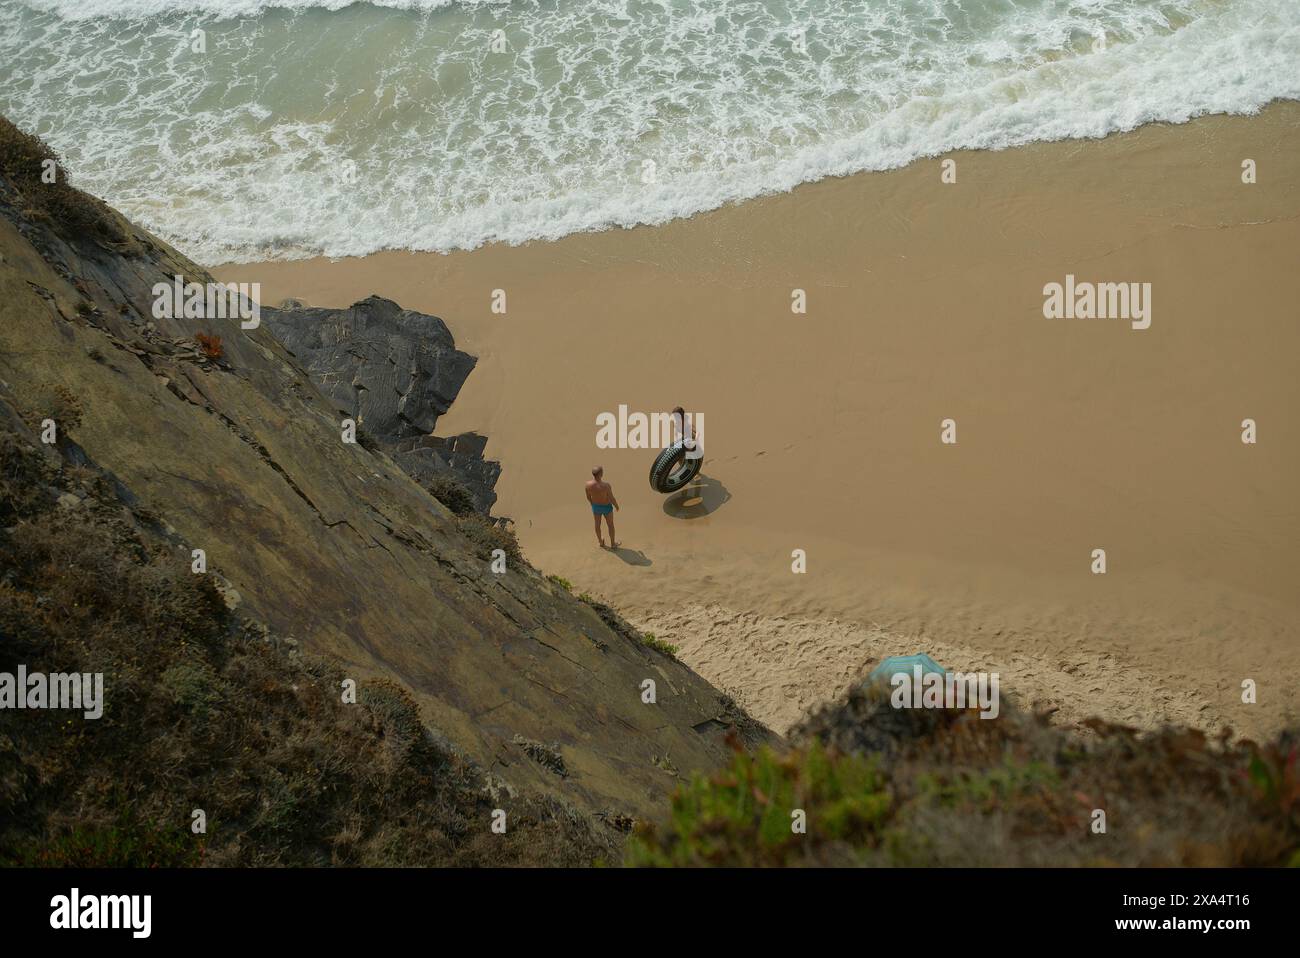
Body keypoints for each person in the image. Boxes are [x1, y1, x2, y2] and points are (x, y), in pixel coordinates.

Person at [585, 465, 619, 548]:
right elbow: (611, 498)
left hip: (596, 507)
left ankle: (601, 542)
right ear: (601, 474)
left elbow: (588, 497)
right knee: (610, 525)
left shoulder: (587, 484)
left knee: (597, 525)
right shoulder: (606, 485)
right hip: (606, 507)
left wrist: (592, 504)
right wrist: (616, 506)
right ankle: (613, 544)